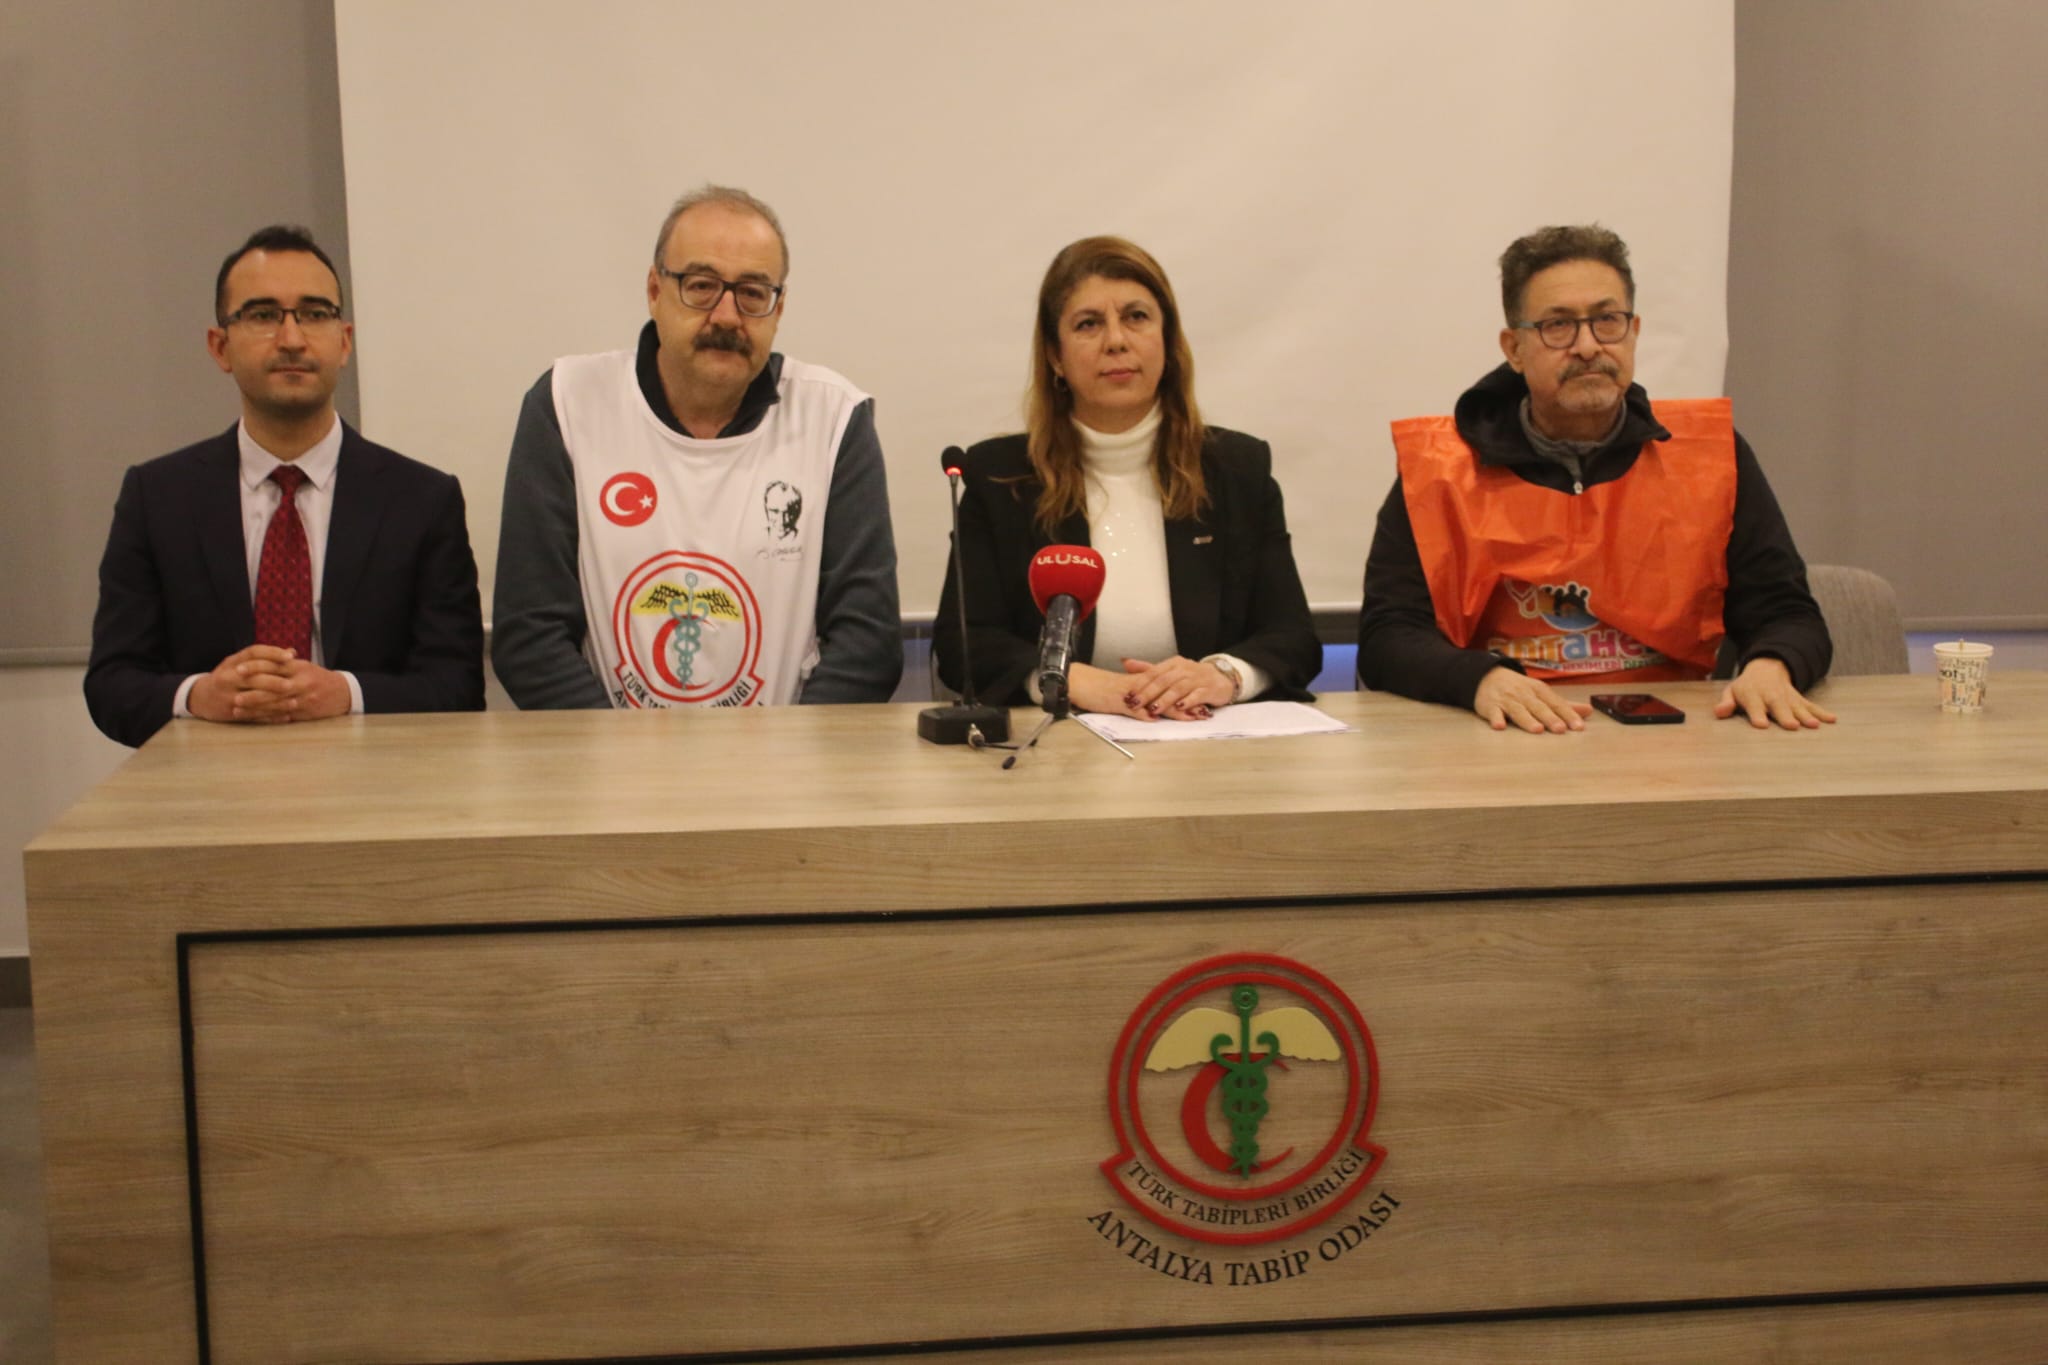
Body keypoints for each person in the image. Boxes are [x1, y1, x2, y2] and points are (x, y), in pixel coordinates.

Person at [1356, 224, 1833, 734]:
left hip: (1675, 736)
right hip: (1505, 732)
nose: (1587, 346)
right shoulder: (1440, 469)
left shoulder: (1710, 454)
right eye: (1558, 326)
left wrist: (1771, 664)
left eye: (1607, 320)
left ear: (1634, 332)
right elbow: (1388, 638)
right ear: (1514, 349)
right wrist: (1478, 680)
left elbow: (1788, 613)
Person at [493, 185, 901, 710]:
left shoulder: (833, 417)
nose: (727, 316)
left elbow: (867, 646)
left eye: (753, 293)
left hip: (788, 757)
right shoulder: (567, 403)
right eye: (702, 286)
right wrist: (616, 755)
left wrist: (788, 755)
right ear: (654, 290)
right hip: (604, 757)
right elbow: (530, 636)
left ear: (778, 309)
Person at [85, 225, 485, 748]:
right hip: (207, 783)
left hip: (376, 779)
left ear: (344, 342)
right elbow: (112, 684)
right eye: (263, 315)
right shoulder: (157, 497)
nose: (292, 339)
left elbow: (459, 686)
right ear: (220, 346)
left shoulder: (423, 501)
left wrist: (344, 693)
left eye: (315, 314)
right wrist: (199, 696)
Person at [936, 236, 1320, 720]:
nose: (1116, 340)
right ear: (1055, 356)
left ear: (1168, 342)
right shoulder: (1000, 478)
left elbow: (1292, 637)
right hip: (1059, 742)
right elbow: (963, 645)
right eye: (1089, 323)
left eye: (1136, 317)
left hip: (1208, 739)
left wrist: (1225, 675)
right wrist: (1069, 680)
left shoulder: (1237, 469)